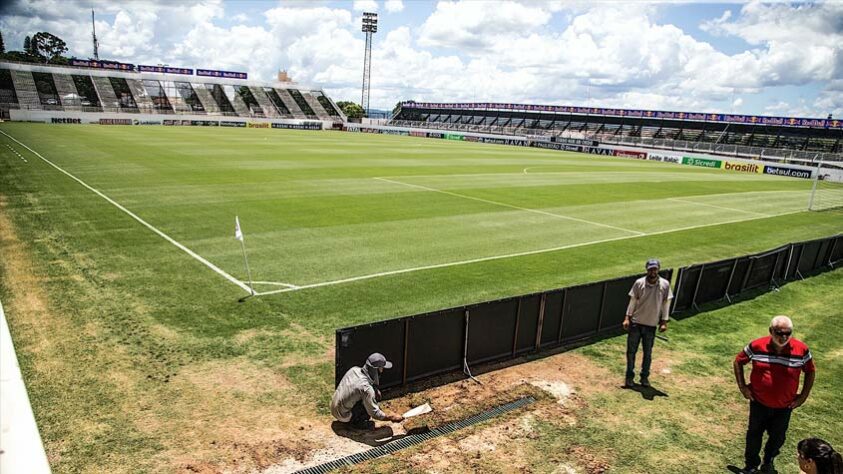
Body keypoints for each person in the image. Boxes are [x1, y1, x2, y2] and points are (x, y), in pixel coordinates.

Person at [734, 316, 816, 474]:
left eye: (788, 333)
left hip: (784, 406)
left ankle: (768, 462)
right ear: (771, 331)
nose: (784, 337)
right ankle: (751, 466)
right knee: (754, 435)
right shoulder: (757, 346)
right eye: (779, 333)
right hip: (758, 402)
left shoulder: (801, 350)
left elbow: (810, 371)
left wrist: (803, 396)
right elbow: (738, 361)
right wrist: (743, 387)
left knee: (778, 437)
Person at [623, 258, 672, 388]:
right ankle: (629, 377)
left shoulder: (665, 284)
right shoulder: (639, 283)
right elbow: (632, 301)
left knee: (647, 353)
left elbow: (666, 304)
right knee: (631, 352)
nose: (653, 271)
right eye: (651, 269)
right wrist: (627, 318)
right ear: (647, 269)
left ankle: (644, 377)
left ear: (658, 269)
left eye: (655, 269)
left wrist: (664, 322)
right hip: (636, 323)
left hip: (651, 325)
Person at [331, 352, 404, 430]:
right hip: (342, 415)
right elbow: (374, 413)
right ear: (376, 369)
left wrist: (375, 390)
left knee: (371, 396)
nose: (382, 370)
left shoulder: (354, 369)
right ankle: (356, 424)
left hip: (334, 408)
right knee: (367, 412)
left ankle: (351, 415)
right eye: (382, 368)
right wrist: (391, 417)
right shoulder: (366, 388)